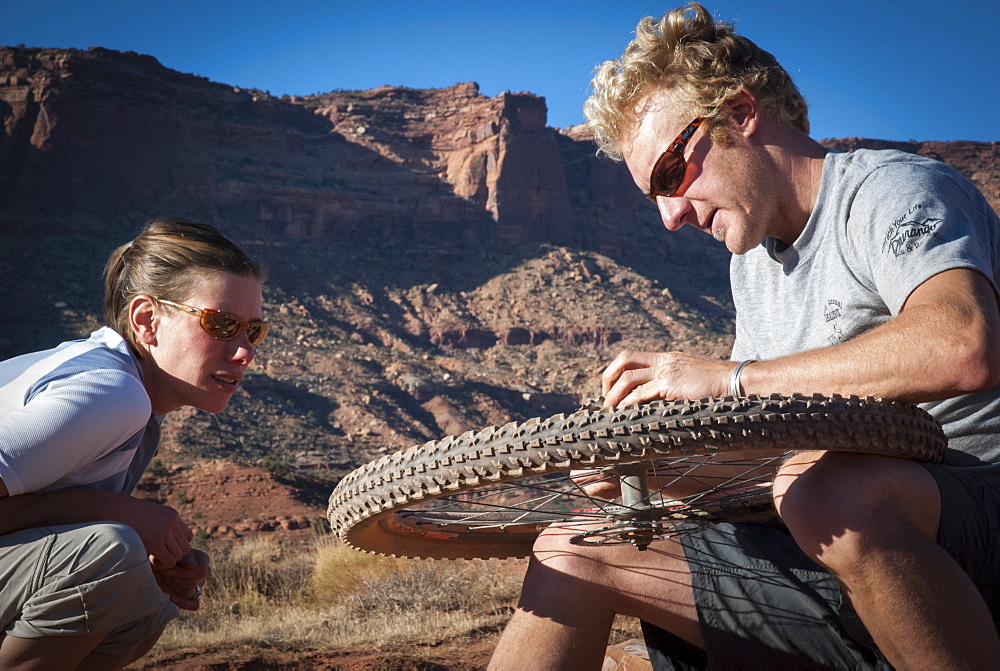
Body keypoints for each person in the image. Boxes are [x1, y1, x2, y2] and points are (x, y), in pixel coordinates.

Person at [488, 3, 1000, 669]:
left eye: (672, 175)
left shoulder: (893, 191)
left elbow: (965, 342)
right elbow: (770, 462)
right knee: (573, 547)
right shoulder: (750, 266)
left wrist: (727, 380)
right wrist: (646, 475)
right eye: (653, 197)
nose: (671, 215)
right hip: (830, 537)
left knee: (824, 490)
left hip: (970, 512)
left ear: (739, 112)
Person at [0, 216, 269, 669]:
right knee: (111, 558)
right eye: (221, 323)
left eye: (254, 330)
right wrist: (113, 515)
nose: (245, 351)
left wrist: (153, 553)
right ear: (147, 320)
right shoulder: (113, 394)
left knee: (140, 595)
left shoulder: (113, 386)